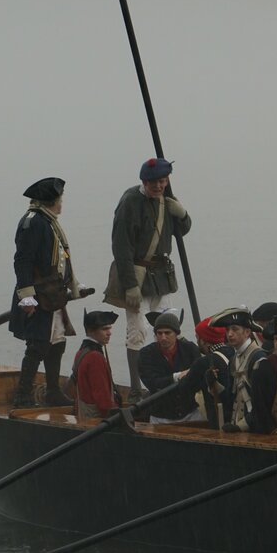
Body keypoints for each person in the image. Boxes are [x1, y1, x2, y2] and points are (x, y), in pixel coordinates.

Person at [105, 157, 192, 398]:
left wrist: (182, 213)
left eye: (162, 181)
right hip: (138, 275)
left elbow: (182, 230)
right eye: (154, 182)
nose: (159, 186)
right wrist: (131, 285)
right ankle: (135, 389)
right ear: (145, 181)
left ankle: (167, 382)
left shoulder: (167, 200)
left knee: (166, 327)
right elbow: (121, 246)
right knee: (137, 332)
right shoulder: (130, 202)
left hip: (161, 277)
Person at [9, 177, 79, 408]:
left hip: (52, 293)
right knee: (38, 344)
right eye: (60, 200)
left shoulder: (47, 221)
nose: (62, 204)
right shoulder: (33, 223)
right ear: (51, 201)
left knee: (56, 341)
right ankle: (23, 395)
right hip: (39, 294)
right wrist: (26, 296)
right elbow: (23, 260)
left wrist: (72, 285)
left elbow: (59, 258)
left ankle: (52, 391)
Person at [205, 308, 267, 432]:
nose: (230, 334)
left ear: (247, 332)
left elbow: (262, 403)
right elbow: (229, 397)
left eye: (235, 329)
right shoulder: (234, 360)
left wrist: (240, 426)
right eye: (227, 330)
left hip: (254, 429)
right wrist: (213, 384)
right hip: (237, 425)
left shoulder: (259, 359)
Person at [137, 311, 199, 423]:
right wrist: (177, 376)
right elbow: (152, 382)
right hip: (160, 417)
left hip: (190, 413)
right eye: (159, 333)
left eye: (167, 333)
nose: (163, 337)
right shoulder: (146, 354)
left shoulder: (190, 349)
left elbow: (198, 379)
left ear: (176, 333)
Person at [71, 310, 120, 421]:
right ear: (91, 331)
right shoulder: (95, 357)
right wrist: (115, 416)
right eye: (104, 329)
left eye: (109, 328)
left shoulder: (82, 351)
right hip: (96, 418)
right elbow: (101, 396)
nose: (109, 333)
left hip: (84, 413)